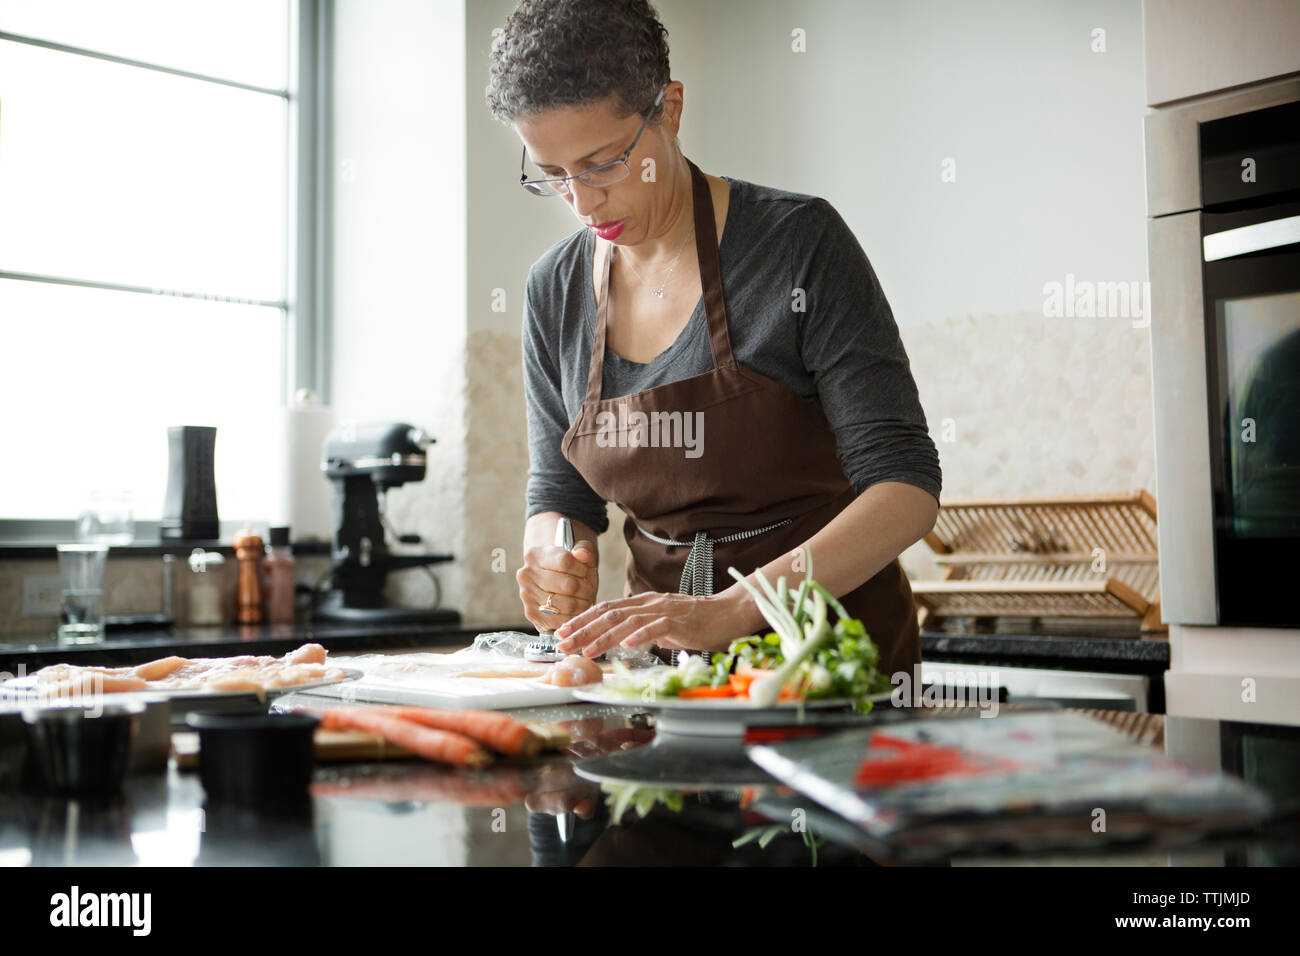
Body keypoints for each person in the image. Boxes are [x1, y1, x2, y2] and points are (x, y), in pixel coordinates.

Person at [486, 0, 941, 678]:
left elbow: (905, 486)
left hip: (829, 665)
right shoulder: (554, 290)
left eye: (603, 164)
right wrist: (556, 559)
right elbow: (561, 496)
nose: (581, 204)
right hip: (661, 674)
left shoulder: (798, 244)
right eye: (552, 175)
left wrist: (731, 609)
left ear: (669, 110)